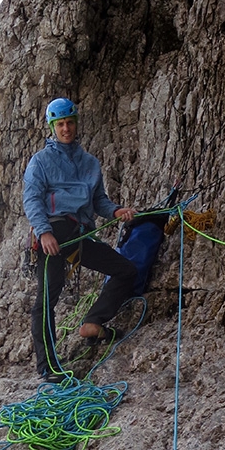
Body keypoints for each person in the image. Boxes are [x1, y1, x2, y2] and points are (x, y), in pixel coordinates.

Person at [23, 97, 138, 380]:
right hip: (56, 231)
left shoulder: (90, 163)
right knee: (47, 297)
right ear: (52, 127)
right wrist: (44, 231)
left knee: (126, 270)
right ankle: (47, 368)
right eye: (60, 124)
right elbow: (32, 199)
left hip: (80, 233)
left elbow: (98, 200)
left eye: (69, 123)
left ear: (76, 123)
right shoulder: (41, 161)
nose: (66, 129)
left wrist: (116, 210)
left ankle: (93, 321)